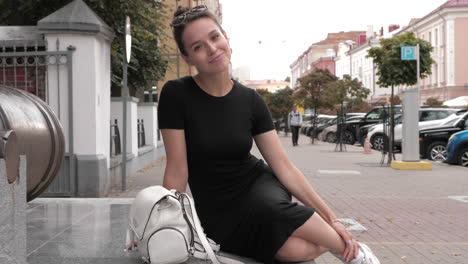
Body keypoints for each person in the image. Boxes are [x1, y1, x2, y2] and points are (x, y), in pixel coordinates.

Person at [158, 5, 380, 264]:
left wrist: (332, 218)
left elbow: (283, 166)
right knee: (292, 252)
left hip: (259, 187)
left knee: (270, 208)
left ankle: (354, 253)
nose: (212, 49)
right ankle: (326, 236)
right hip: (216, 207)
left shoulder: (251, 100)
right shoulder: (176, 94)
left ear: (226, 37)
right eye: (198, 47)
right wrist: (163, 222)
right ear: (188, 59)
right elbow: (176, 170)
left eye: (214, 37)